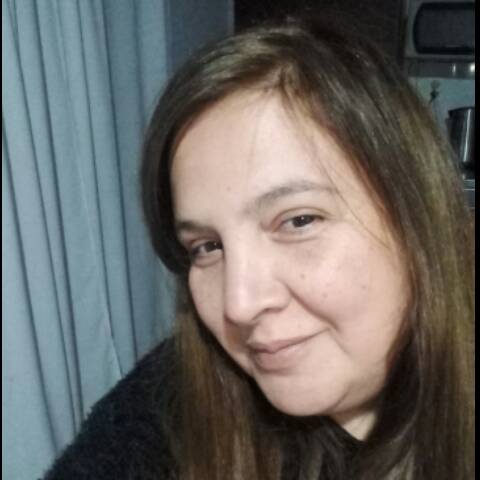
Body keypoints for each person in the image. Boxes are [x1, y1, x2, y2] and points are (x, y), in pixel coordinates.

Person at [43, 15, 474, 480]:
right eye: (207, 247)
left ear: (414, 219)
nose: (239, 305)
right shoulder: (167, 405)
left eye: (298, 221)